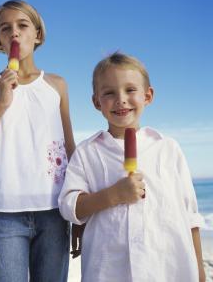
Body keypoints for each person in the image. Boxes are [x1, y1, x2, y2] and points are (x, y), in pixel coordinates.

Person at [58, 52, 205, 281]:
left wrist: (200, 273)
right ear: (97, 102)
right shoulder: (87, 152)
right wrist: (112, 195)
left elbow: (190, 216)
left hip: (165, 270)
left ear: (148, 96)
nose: (121, 99)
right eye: (109, 93)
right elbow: (69, 206)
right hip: (109, 271)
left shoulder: (168, 149)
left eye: (130, 90)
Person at [0, 0, 75, 282]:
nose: (14, 32)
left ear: (37, 34)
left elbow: (70, 149)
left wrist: (80, 215)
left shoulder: (57, 85)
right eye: (5, 28)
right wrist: (2, 104)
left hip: (54, 211)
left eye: (22, 25)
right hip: (4, 213)